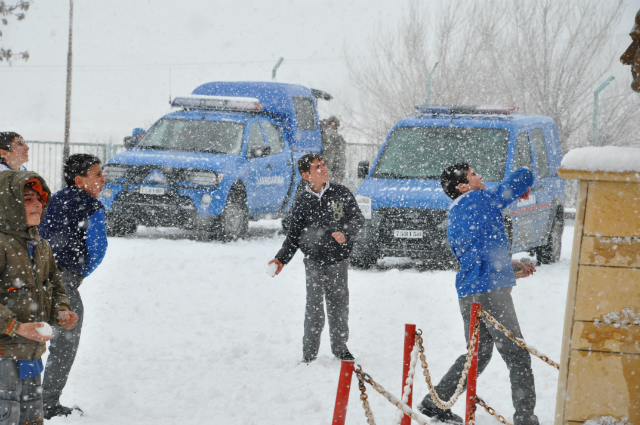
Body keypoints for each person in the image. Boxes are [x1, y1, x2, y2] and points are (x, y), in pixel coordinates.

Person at [416, 163, 538, 425]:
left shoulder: (456, 213)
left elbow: (476, 257)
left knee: (477, 354)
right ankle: (526, 419)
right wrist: (525, 177)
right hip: (491, 292)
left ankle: (433, 403)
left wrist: (509, 266)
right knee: (517, 355)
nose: (480, 176)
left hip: (469, 292)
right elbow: (519, 180)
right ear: (462, 186)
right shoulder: (479, 198)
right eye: (473, 174)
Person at [268, 153, 364, 363]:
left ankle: (340, 349)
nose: (323, 169)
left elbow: (358, 219)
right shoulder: (302, 201)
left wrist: (346, 233)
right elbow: (293, 236)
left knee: (339, 304)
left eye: (324, 164)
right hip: (313, 261)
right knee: (314, 306)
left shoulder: (341, 193)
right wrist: (280, 259)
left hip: (338, 261)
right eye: (317, 167)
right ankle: (309, 354)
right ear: (306, 175)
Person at [0, 171, 78, 425]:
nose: (36, 205)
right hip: (4, 355)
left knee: (32, 416)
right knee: (6, 413)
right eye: (26, 199)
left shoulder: (41, 246)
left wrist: (61, 311)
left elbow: (54, 287)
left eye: (39, 199)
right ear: (8, 204)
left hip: (31, 354)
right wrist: (15, 327)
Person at [40, 154, 108, 419]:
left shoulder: (52, 200)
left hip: (34, 276)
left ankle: (15, 396)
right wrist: (78, 274)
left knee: (24, 339)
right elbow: (98, 250)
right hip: (63, 282)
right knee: (64, 343)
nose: (103, 180)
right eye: (97, 174)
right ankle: (47, 403)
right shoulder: (92, 207)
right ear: (80, 180)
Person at [321, 116, 347, 184]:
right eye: (330, 124)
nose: (331, 126)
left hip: (328, 171)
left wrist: (337, 175)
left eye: (334, 125)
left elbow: (340, 160)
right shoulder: (320, 133)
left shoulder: (337, 140)